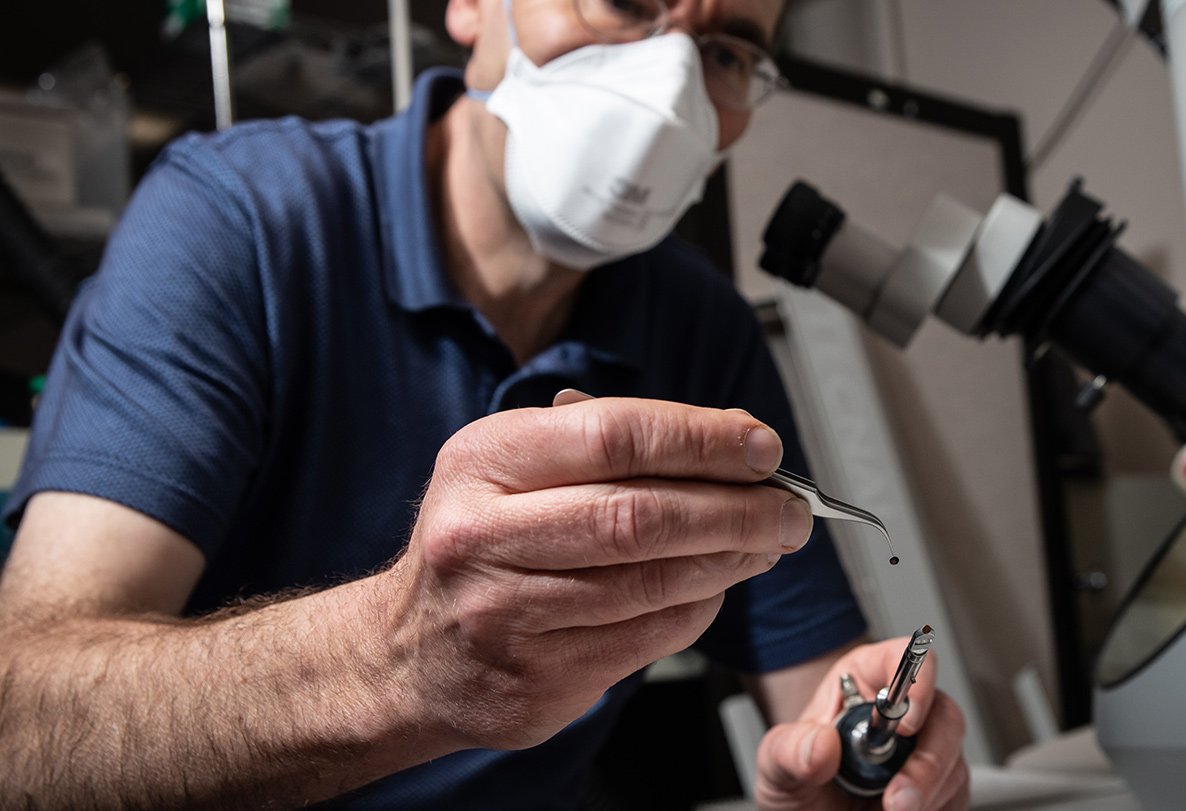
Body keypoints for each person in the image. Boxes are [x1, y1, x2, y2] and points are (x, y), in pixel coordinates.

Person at [0, 0, 971, 808]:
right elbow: (27, 722)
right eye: (626, 2)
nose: (665, 85)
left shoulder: (694, 324)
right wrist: (398, 664)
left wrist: (863, 756)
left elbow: (819, 691)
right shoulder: (239, 222)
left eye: (723, 52)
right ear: (471, 6)